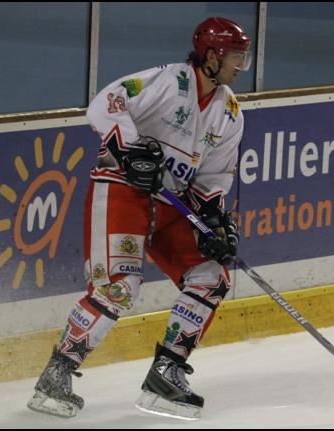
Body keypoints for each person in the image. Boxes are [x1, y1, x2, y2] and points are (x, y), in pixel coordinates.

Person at [27, 17, 251, 420]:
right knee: (119, 287)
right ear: (211, 56)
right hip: (123, 190)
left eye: (243, 58)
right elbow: (105, 103)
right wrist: (129, 150)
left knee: (211, 276)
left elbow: (214, 178)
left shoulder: (230, 112)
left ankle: (165, 375)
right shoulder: (168, 81)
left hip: (172, 204)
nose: (241, 66)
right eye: (235, 56)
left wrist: (214, 221)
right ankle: (55, 375)